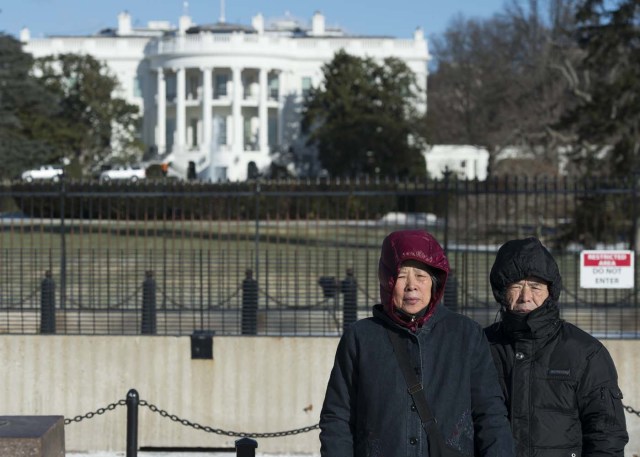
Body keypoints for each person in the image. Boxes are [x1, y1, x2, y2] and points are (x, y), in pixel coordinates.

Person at [320, 229, 514, 457]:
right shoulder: (360, 338)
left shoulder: (466, 334)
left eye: (421, 276)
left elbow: (489, 413)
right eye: (402, 276)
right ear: (388, 280)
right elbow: (337, 417)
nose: (412, 285)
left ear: (434, 282)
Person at [484, 237, 629, 456]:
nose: (525, 297)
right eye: (516, 286)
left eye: (535, 286)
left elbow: (606, 435)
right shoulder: (481, 346)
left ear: (551, 291)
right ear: (501, 291)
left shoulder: (585, 352)